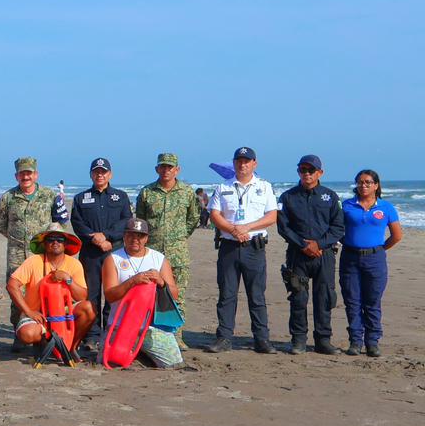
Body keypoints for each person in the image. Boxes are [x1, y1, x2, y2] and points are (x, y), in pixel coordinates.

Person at [205, 147, 278, 354]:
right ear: (234, 163)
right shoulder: (223, 187)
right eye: (239, 161)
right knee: (227, 295)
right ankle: (224, 338)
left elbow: (272, 216)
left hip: (254, 247)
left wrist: (247, 228)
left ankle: (262, 339)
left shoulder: (264, 187)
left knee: (256, 295)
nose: (242, 164)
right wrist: (233, 230)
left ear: (254, 163)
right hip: (229, 246)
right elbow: (215, 215)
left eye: (247, 161)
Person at [0, 157, 70, 345]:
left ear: (36, 174)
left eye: (29, 173)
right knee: (15, 292)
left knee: (43, 289)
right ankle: (18, 333)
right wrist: (18, 239)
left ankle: (44, 333)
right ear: (16, 175)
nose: (25, 176)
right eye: (22, 173)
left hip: (42, 254)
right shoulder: (8, 198)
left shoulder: (50, 196)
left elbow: (60, 222)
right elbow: (2, 225)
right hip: (16, 253)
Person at [276, 154, 344, 355]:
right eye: (302, 170)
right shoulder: (287, 197)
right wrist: (303, 245)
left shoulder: (330, 196)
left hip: (324, 255)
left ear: (320, 173)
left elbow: (338, 227)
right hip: (298, 255)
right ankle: (298, 340)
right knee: (298, 298)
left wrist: (319, 244)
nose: (306, 174)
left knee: (324, 298)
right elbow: (283, 227)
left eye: (310, 170)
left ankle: (323, 340)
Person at [100, 218, 184, 368]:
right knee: (109, 362)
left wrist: (161, 282)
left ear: (146, 238)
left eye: (140, 236)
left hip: (151, 327)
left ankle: (142, 353)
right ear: (124, 236)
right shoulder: (113, 259)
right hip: (121, 326)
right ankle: (137, 353)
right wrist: (133, 281)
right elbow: (110, 296)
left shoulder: (159, 259)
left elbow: (175, 294)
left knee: (174, 362)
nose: (135, 239)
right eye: (131, 235)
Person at [133, 153, 200, 337]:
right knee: (149, 295)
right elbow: (140, 221)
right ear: (157, 169)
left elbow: (193, 218)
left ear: (177, 170)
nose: (166, 170)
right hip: (152, 252)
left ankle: (176, 337)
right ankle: (150, 336)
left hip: (177, 253)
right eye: (162, 167)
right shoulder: (147, 192)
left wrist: (179, 236)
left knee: (177, 295)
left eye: (170, 167)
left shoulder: (187, 192)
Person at [340, 169, 404, 357]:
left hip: (375, 259)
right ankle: (355, 341)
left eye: (368, 182)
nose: (363, 185)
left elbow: (397, 235)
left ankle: (372, 342)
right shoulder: (347, 206)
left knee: (372, 301)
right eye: (360, 182)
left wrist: (380, 249)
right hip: (350, 258)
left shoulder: (386, 207)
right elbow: (337, 229)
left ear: (376, 185)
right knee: (352, 301)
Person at [70, 157, 133, 343]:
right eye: (96, 171)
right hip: (90, 253)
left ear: (110, 174)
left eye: (103, 171)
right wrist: (94, 238)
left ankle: (112, 331)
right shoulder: (81, 198)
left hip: (114, 252)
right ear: (91, 174)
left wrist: (106, 236)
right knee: (92, 294)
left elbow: (126, 221)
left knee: (114, 292)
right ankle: (92, 334)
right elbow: (77, 223)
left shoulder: (120, 197)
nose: (100, 174)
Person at [6, 228, 96, 352]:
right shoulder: (33, 261)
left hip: (64, 313)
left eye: (60, 239)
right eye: (51, 239)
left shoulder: (74, 264)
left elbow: (82, 297)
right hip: (38, 314)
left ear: (65, 244)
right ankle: (45, 342)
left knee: (89, 309)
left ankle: (71, 347)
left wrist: (68, 279)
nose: (55, 242)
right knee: (27, 334)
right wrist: (29, 311)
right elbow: (11, 285)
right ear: (44, 244)